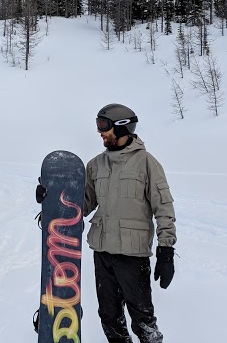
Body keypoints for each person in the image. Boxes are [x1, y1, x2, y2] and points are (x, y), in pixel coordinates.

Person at [37, 103, 176, 343]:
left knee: (143, 320)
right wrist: (52, 198)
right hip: (102, 252)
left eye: (104, 126)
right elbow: (83, 205)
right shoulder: (95, 165)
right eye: (98, 125)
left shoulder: (146, 163)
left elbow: (163, 207)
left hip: (132, 254)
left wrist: (166, 250)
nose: (100, 132)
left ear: (122, 127)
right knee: (109, 317)